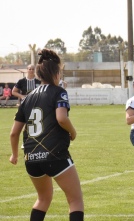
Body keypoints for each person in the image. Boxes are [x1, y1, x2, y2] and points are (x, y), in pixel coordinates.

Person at [9, 48, 84, 221]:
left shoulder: (27, 98)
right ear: (57, 73)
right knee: (75, 200)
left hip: (31, 158)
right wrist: (73, 132)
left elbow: (14, 133)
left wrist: (14, 155)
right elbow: (62, 118)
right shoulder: (59, 91)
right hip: (55, 155)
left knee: (43, 199)